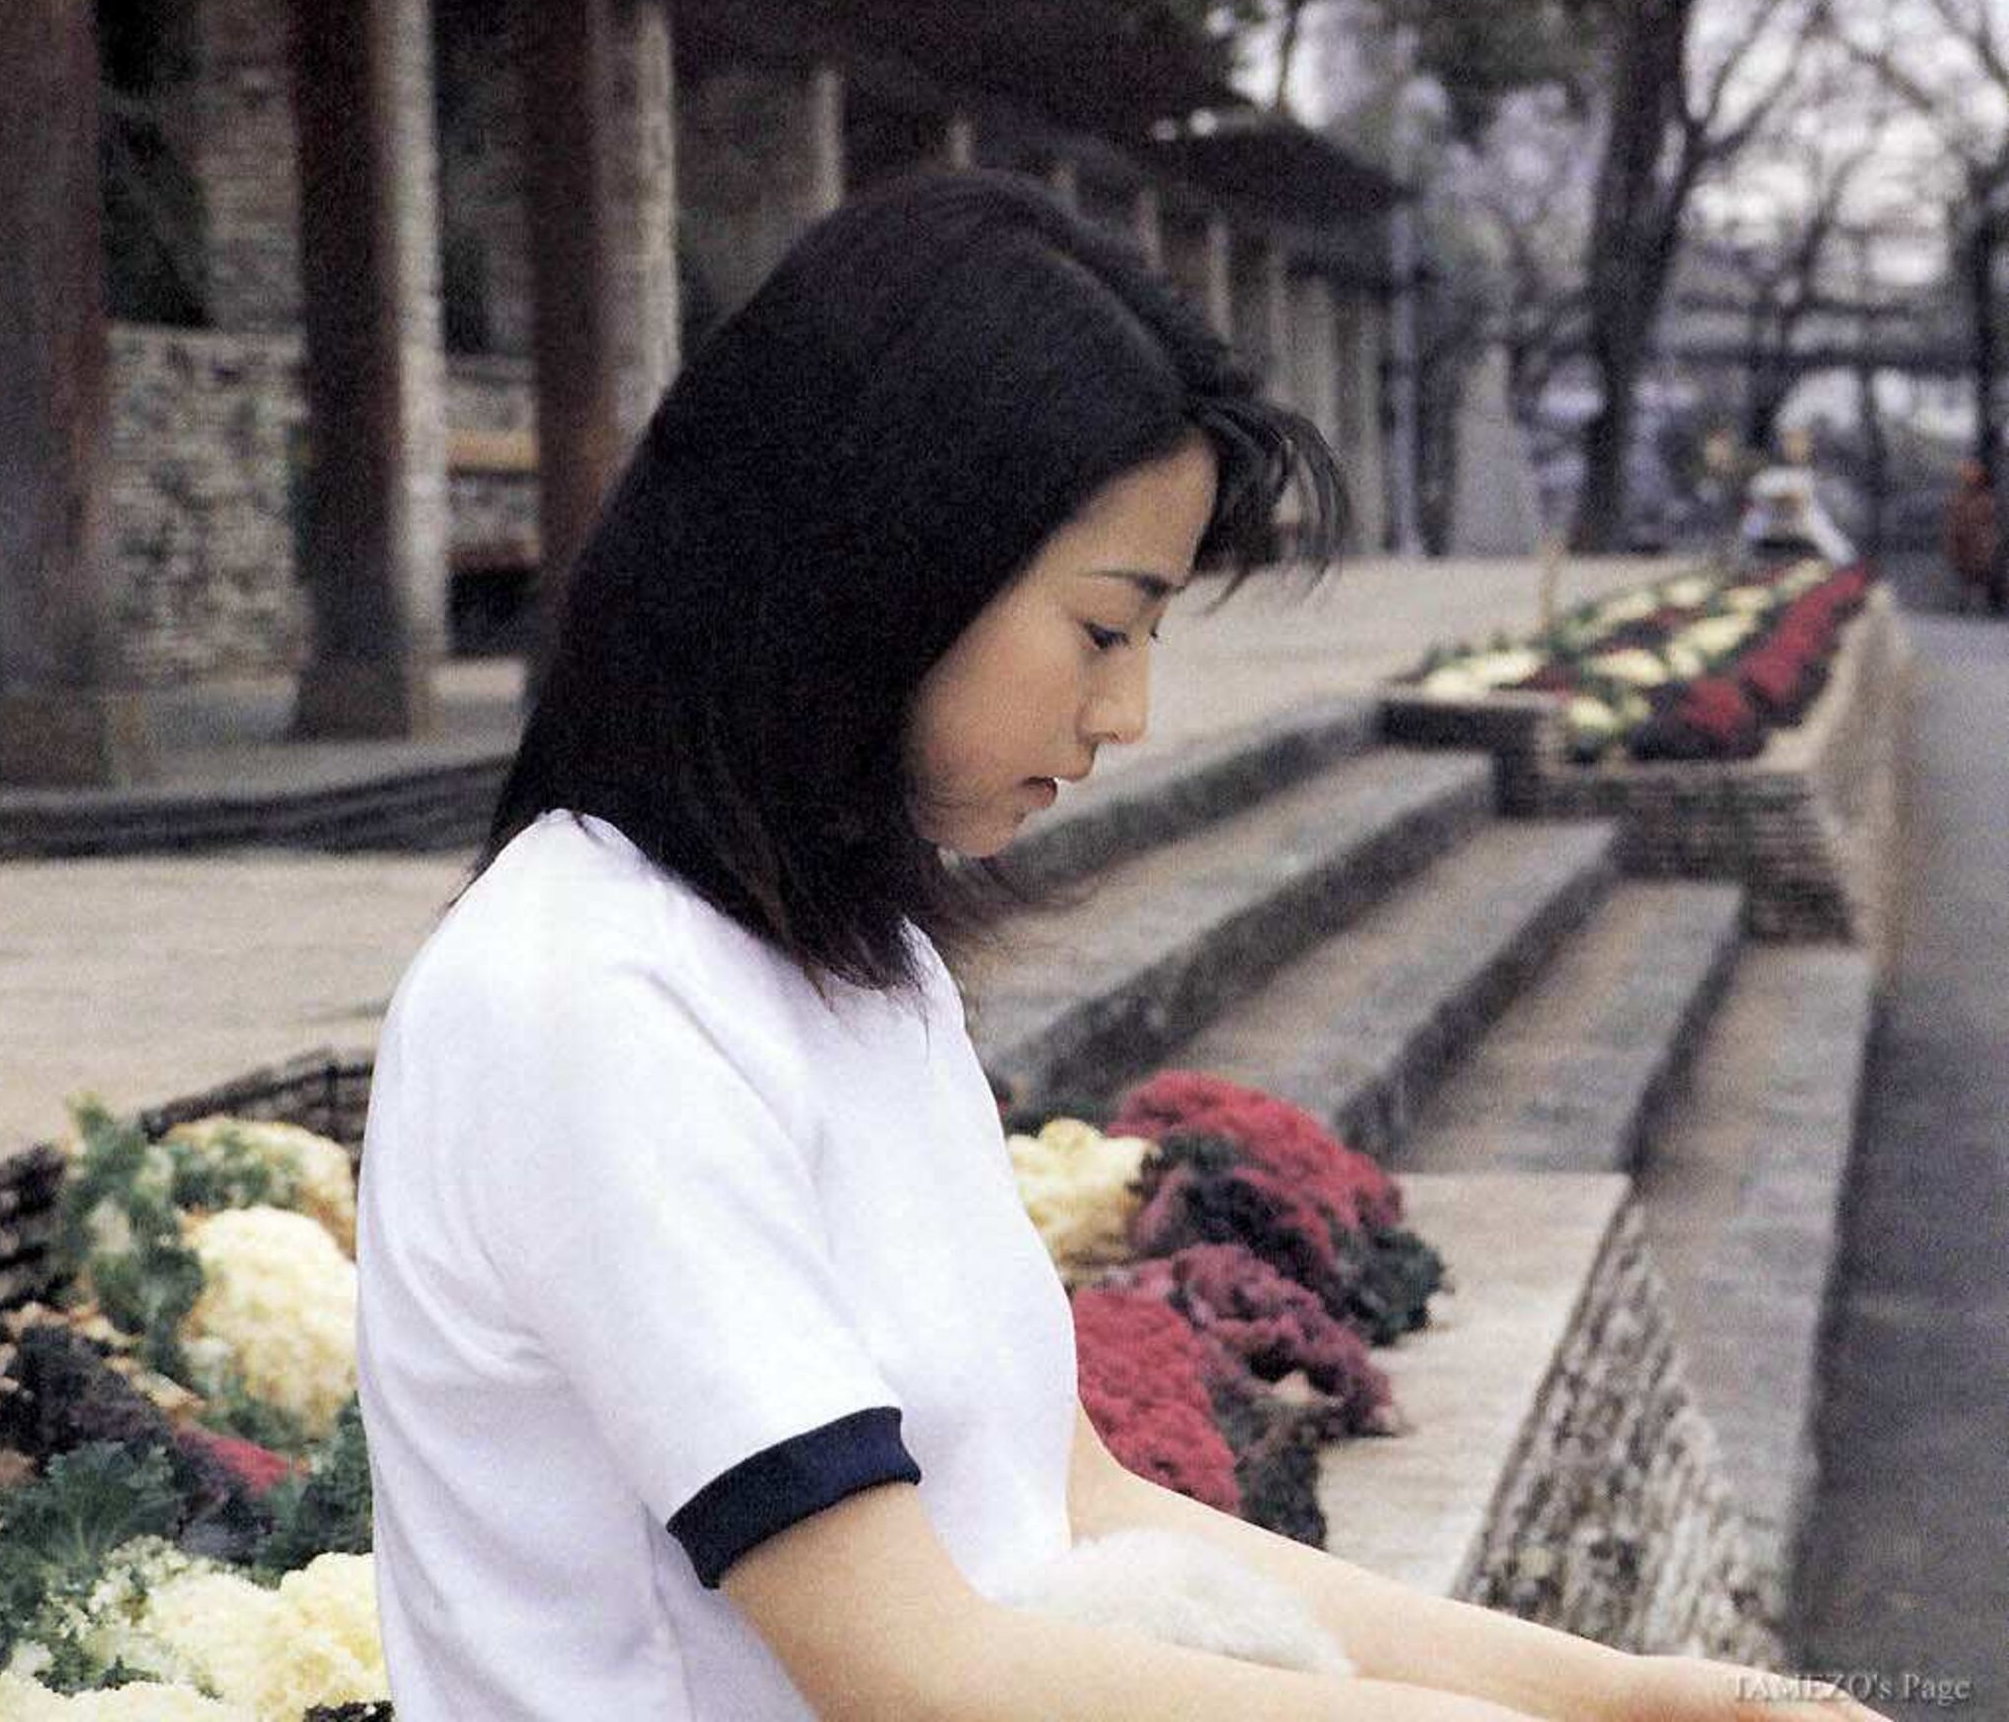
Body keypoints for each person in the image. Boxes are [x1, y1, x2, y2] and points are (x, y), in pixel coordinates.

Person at [353, 170, 1885, 1721]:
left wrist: (1633, 1695)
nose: (1128, 712)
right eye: (1102, 628)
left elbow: (1068, 1500)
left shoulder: (854, 968)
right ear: (880, 563)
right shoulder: (588, 1002)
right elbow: (906, 1665)